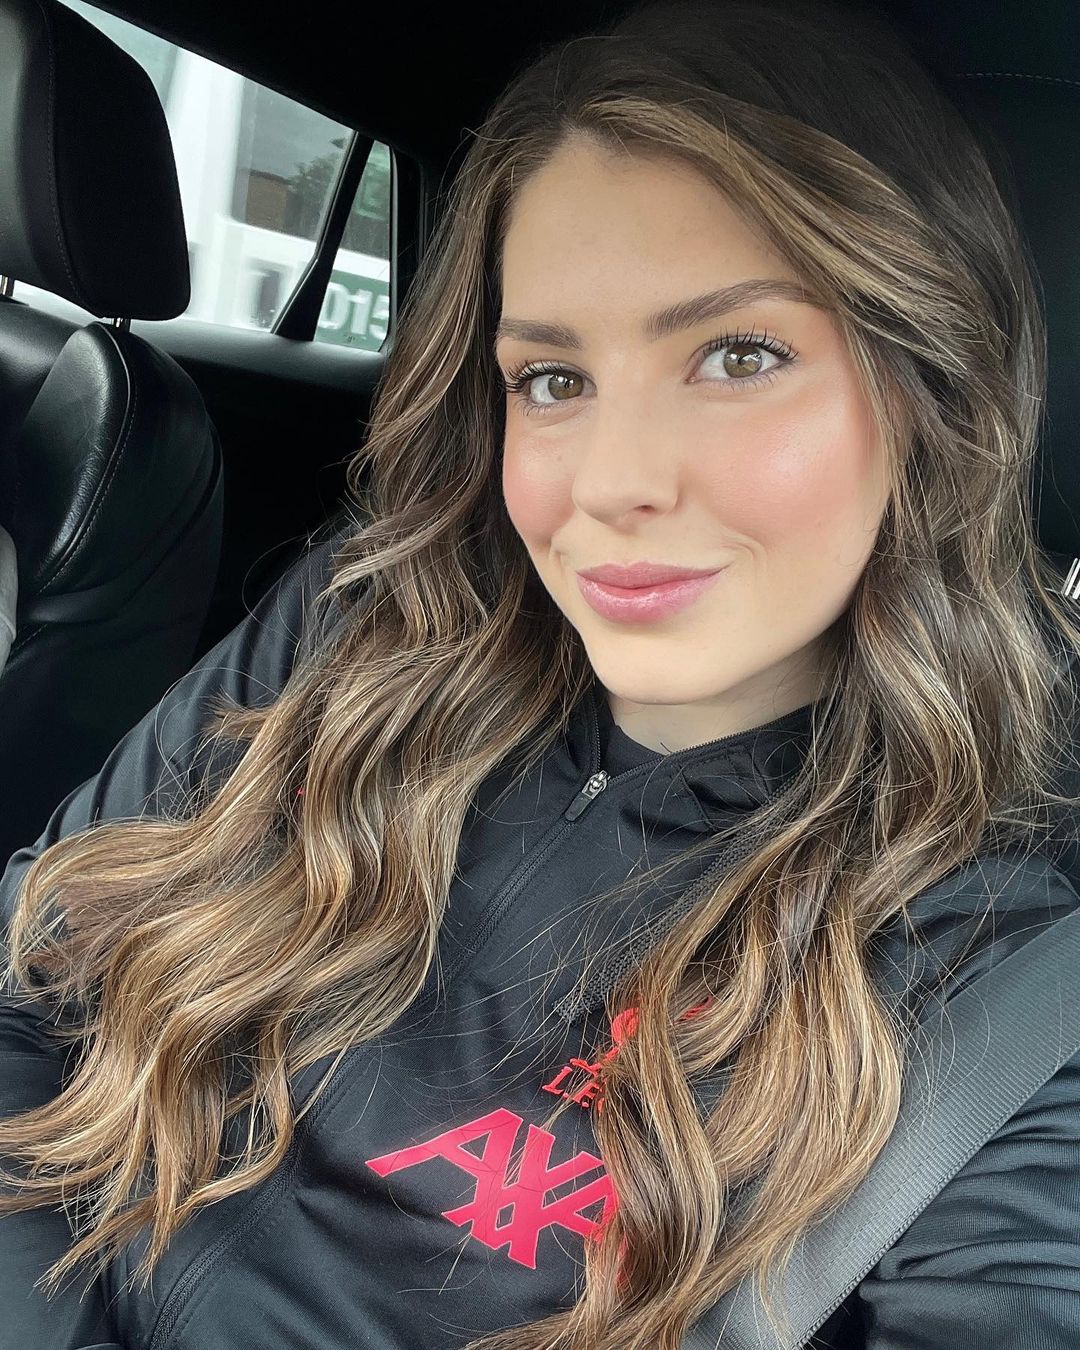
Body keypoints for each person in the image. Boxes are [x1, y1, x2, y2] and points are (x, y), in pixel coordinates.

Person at [2, 0, 1080, 1346]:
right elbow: (30, 977)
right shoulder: (365, 627)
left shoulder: (1009, 955)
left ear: (933, 391)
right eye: (554, 378)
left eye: (739, 356)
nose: (610, 484)